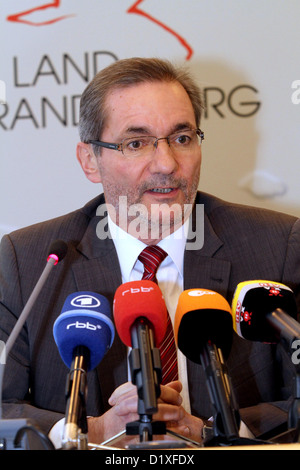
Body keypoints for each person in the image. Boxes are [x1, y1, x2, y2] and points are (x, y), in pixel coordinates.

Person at [0, 57, 300, 449]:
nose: (167, 164)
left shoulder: (277, 245)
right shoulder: (28, 262)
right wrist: (91, 432)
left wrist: (212, 431)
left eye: (182, 138)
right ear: (90, 160)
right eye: (136, 143)